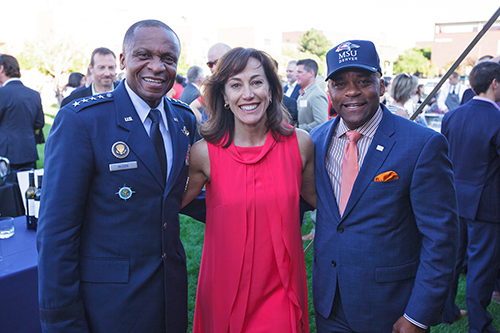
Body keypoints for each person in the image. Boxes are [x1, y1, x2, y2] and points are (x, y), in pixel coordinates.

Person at [37, 19, 201, 332]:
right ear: (123, 60)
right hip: (109, 304)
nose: (157, 67)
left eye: (168, 59)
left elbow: (176, 194)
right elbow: (57, 233)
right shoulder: (83, 122)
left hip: (170, 293)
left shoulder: (183, 120)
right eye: (144, 55)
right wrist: (62, 321)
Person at [310, 40, 458, 333]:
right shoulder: (314, 141)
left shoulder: (422, 144)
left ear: (381, 85)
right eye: (340, 83)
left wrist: (418, 314)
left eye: (363, 81)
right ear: (330, 91)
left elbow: (441, 238)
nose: (351, 91)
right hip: (329, 303)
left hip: (391, 308)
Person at [182, 47, 316, 332]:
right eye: (235, 85)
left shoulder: (300, 145)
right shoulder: (203, 153)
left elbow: (322, 201)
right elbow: (170, 205)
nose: (248, 94)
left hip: (281, 286)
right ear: (224, 97)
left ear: (270, 89)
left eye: (256, 82)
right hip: (224, 286)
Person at [441, 61, 500, 333]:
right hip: (486, 204)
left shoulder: (452, 115)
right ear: (494, 83)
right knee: (481, 266)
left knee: (453, 260)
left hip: (454, 198)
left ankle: (446, 310)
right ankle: (479, 325)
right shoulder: (496, 118)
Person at [0, 54, 45, 174]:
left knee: (7, 192)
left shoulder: (2, 93)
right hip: (29, 152)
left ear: (1, 69)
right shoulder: (34, 94)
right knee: (27, 190)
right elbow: (39, 123)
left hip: (5, 156)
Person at [296, 58, 329, 132]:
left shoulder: (317, 94)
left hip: (311, 140)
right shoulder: (304, 93)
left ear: (311, 73)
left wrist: (298, 128)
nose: (296, 75)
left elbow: (321, 123)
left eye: (300, 72)